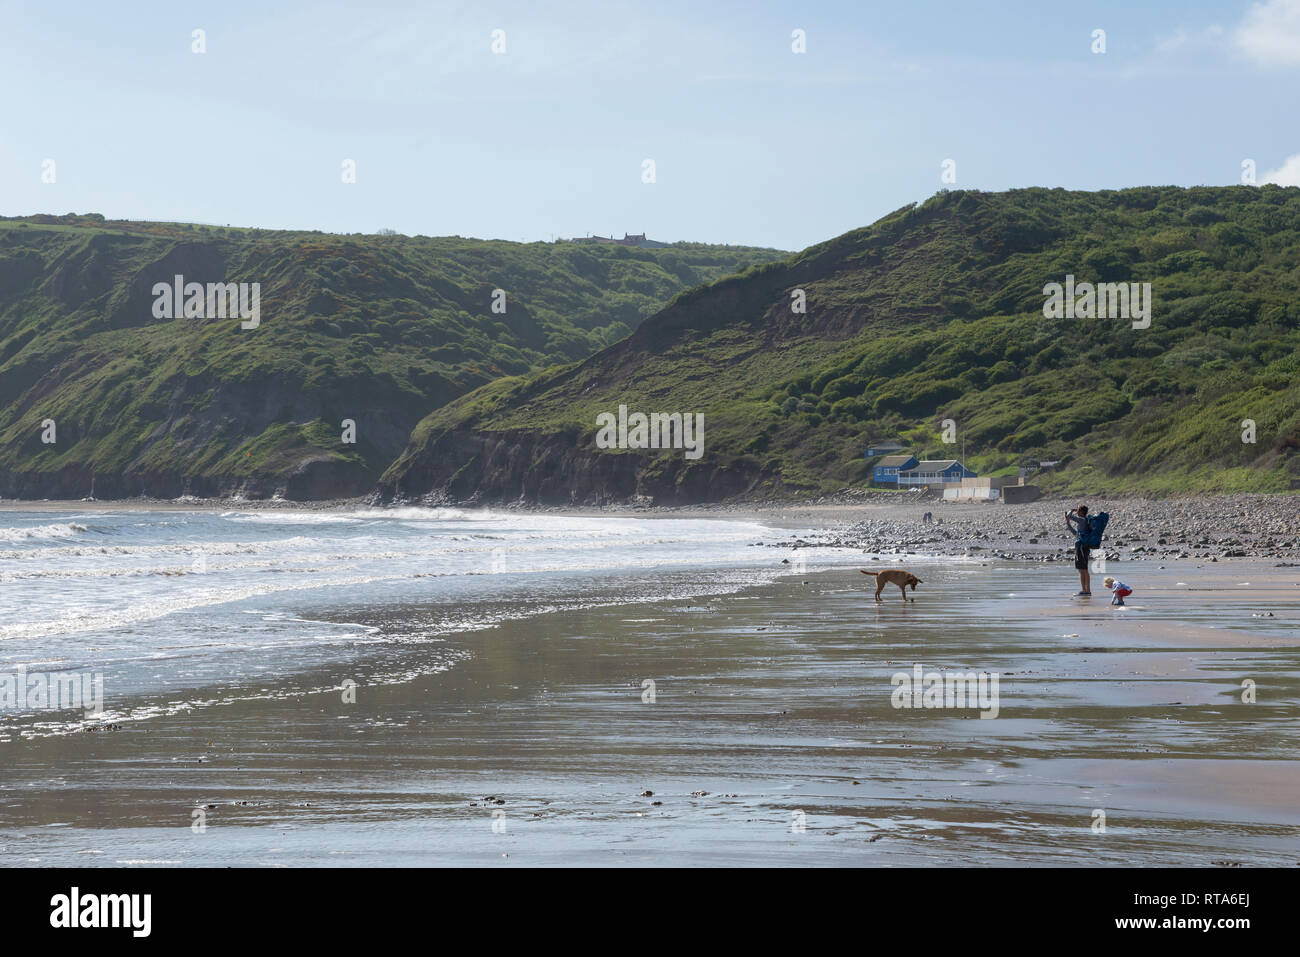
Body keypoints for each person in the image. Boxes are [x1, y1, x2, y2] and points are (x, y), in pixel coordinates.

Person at [1066, 505, 1093, 596]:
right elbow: (1076, 534)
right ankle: (1085, 590)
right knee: (1082, 569)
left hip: (1082, 547)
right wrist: (1068, 523)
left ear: (1081, 512)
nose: (1077, 512)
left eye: (1078, 511)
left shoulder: (1082, 520)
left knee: (1083, 569)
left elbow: (1070, 515)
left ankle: (1086, 591)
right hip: (1081, 546)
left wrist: (1071, 509)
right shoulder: (1083, 522)